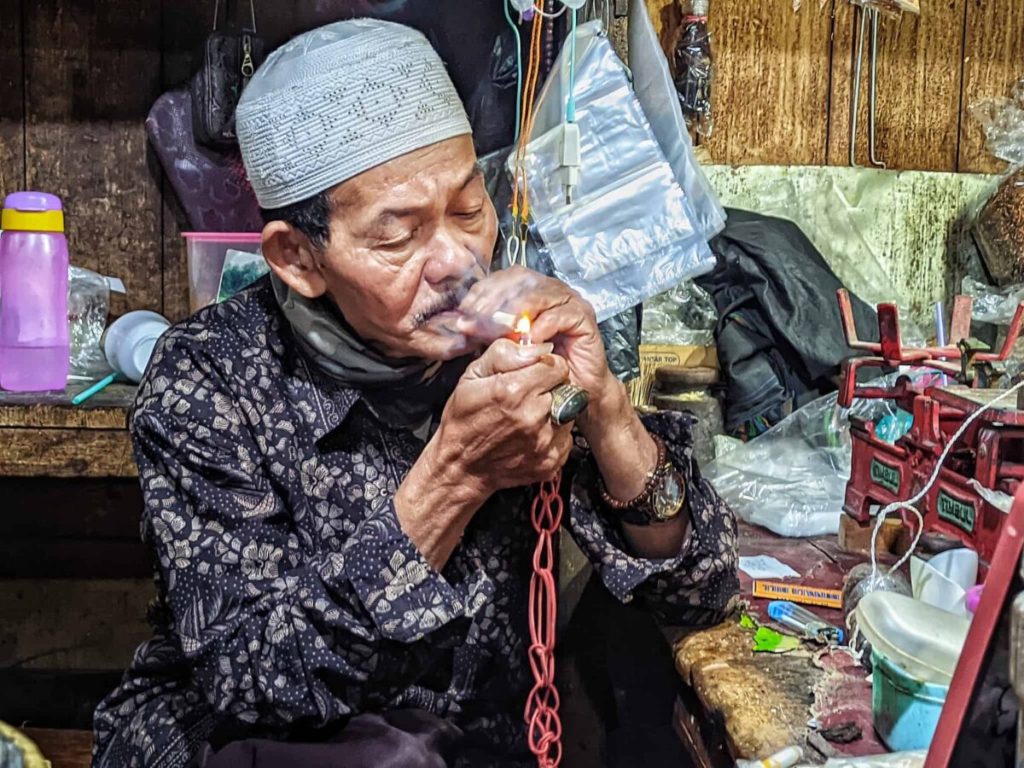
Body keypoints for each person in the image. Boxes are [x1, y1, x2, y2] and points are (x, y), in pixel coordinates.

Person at [93, 18, 738, 768]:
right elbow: (258, 681)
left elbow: (706, 592)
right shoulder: (209, 381)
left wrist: (607, 409)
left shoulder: (509, 351)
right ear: (297, 258)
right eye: (398, 235)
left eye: (468, 210)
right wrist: (456, 475)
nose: (456, 260)